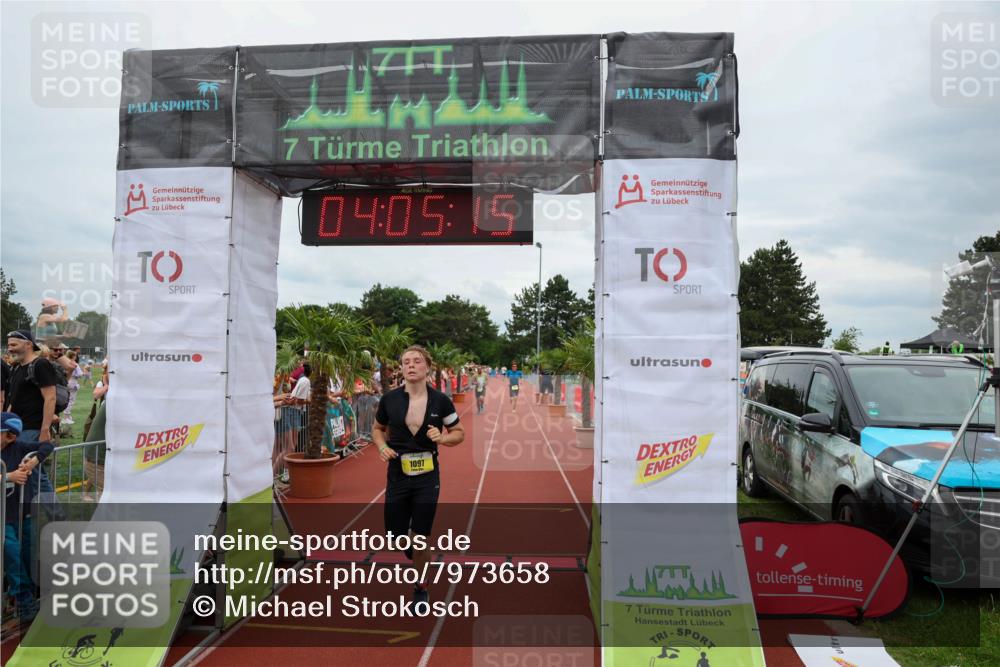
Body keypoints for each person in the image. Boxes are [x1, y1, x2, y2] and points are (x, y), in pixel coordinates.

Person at [372, 345, 464, 611]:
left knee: (421, 537)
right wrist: (381, 447)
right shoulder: (390, 400)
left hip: (427, 478)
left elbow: (459, 432)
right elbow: (378, 429)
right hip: (397, 475)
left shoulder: (441, 401)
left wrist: (443, 438)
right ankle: (417, 553)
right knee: (396, 536)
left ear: (427, 367)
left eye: (416, 361)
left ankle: (420, 586)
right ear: (401, 368)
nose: (410, 365)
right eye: (406, 362)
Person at [2, 411, 53, 624]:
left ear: (11, 436)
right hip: (4, 516)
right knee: (11, 551)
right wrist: (8, 477)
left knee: (29, 550)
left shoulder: (19, 448)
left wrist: (32, 462)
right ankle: (22, 596)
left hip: (24, 510)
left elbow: (47, 446)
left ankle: (32, 592)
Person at [4, 330, 60, 507]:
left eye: (14, 344)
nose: (10, 348)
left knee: (34, 475)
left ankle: (55, 517)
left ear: (28, 344)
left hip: (32, 428)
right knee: (30, 474)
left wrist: (44, 430)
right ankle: (25, 516)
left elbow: (50, 397)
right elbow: (13, 402)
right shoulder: (16, 367)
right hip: (17, 430)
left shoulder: (40, 364)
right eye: (9, 345)